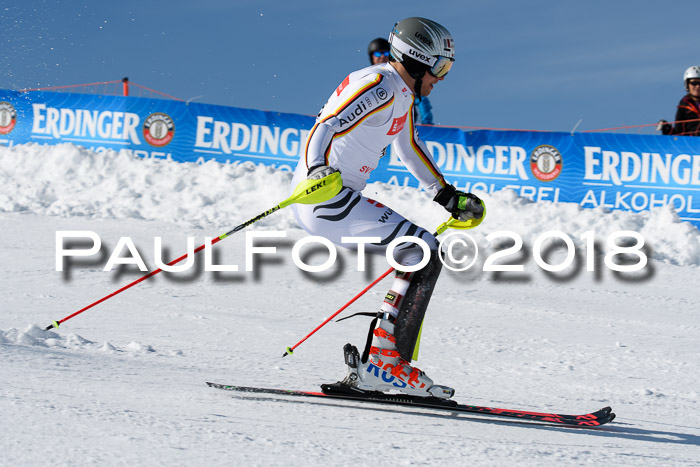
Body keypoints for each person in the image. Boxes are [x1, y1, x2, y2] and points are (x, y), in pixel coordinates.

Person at [291, 17, 484, 399]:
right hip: (325, 198)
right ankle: (384, 365)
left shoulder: (401, 93)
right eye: (440, 67)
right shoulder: (379, 85)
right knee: (422, 252)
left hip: (337, 198)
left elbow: (409, 147)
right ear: (416, 59)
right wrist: (318, 169)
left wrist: (446, 195)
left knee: (421, 252)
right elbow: (325, 127)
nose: (441, 78)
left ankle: (383, 363)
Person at [368, 37, 434, 124]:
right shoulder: (368, 78)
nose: (382, 56)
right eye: (378, 54)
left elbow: (421, 99)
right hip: (378, 127)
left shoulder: (401, 76)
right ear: (372, 57)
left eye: (386, 53)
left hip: (402, 125)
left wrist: (426, 124)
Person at [657, 66, 700, 136]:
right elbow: (678, 133)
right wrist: (667, 128)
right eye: (694, 83)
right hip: (691, 144)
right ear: (687, 85)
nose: (698, 86)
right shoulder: (684, 106)